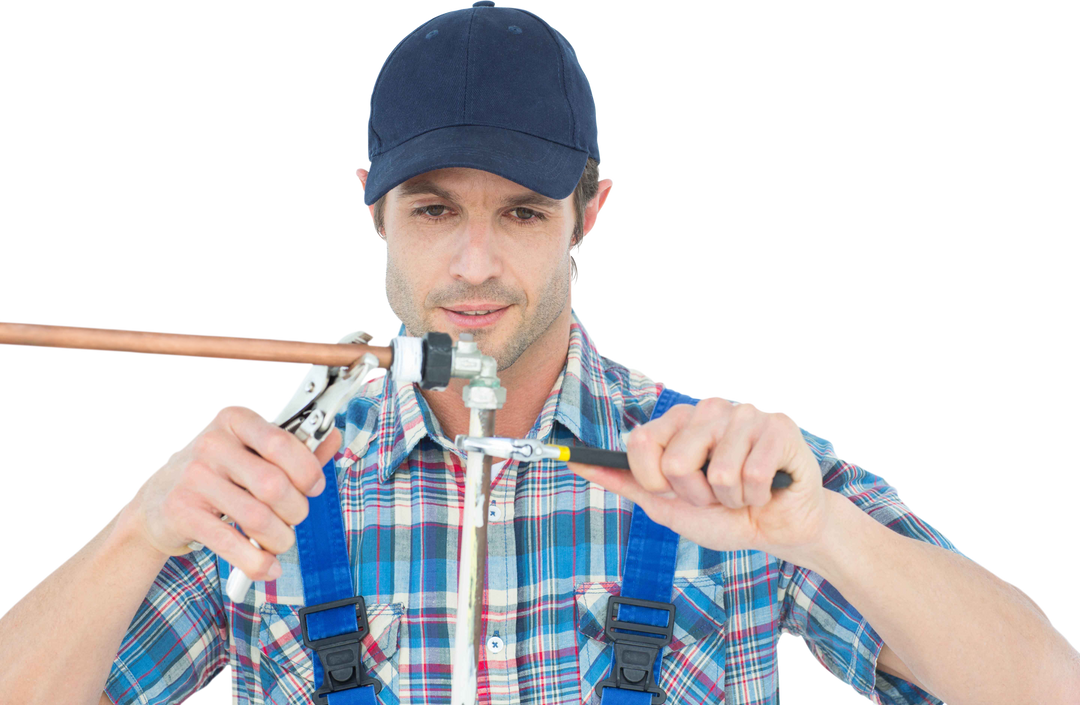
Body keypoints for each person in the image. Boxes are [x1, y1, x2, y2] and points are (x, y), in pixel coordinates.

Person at [3, 3, 1077, 705]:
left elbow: (1045, 682)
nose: (475, 266)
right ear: (373, 214)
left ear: (590, 214)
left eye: (521, 214)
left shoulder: (729, 476)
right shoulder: (277, 491)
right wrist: (139, 526)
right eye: (432, 211)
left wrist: (821, 529)